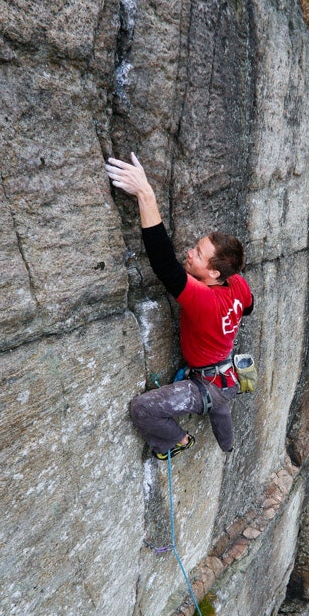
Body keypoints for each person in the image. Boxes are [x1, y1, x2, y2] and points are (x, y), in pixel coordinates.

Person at [105, 153, 253, 459]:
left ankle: (178, 442)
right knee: (222, 415)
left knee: (142, 409)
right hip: (224, 369)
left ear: (214, 273)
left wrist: (145, 194)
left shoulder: (204, 300)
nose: (189, 252)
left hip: (209, 381)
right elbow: (248, 308)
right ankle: (227, 437)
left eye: (197, 253)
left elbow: (164, 265)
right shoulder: (237, 283)